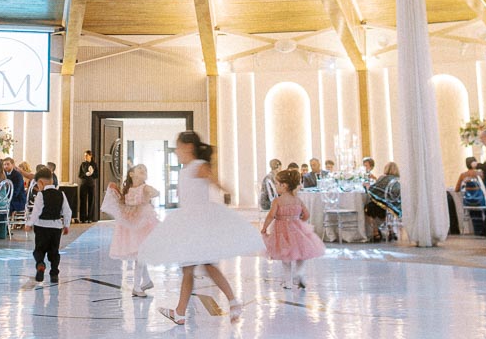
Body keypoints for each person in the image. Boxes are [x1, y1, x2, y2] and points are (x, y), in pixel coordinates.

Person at [138, 131, 262, 326]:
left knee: (200, 266)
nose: (176, 151)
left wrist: (229, 193)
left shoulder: (198, 166)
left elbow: (216, 183)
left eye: (178, 147)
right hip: (190, 223)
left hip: (199, 223)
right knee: (193, 267)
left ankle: (229, 301)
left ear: (188, 147)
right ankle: (183, 310)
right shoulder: (186, 169)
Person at [261, 168, 326, 289]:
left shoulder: (278, 201)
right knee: (300, 253)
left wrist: (264, 227)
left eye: (277, 183)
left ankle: (288, 282)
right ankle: (300, 273)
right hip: (297, 229)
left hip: (281, 231)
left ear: (284, 185)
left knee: (286, 257)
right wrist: (298, 221)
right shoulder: (297, 200)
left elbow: (271, 215)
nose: (275, 186)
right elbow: (306, 215)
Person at [102, 164, 159, 297]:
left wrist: (152, 192)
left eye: (145, 170)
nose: (143, 170)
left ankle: (137, 286)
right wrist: (114, 191)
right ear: (131, 174)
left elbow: (155, 192)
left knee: (140, 254)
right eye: (140, 169)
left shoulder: (144, 188)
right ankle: (147, 280)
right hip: (131, 225)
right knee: (139, 253)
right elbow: (121, 204)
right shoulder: (127, 190)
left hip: (143, 224)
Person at [25, 165, 71, 283]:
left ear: (40, 182)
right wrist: (66, 225)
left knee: (39, 250)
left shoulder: (41, 195)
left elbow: (36, 212)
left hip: (41, 227)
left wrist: (29, 223)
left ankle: (40, 264)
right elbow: (67, 211)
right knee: (54, 251)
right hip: (56, 228)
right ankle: (54, 273)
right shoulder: (61, 194)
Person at [77, 150, 98, 223]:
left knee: (91, 201)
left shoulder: (94, 164)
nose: (85, 157)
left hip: (91, 184)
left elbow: (96, 175)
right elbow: (80, 175)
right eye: (84, 155)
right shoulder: (82, 164)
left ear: (90, 156)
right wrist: (86, 174)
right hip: (83, 184)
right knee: (83, 201)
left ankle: (90, 218)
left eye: (86, 155)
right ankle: (83, 218)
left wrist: (92, 173)